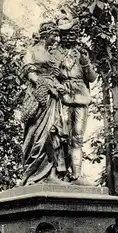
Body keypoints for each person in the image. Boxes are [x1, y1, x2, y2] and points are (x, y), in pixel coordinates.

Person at [20, 21, 70, 186]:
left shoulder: (51, 55)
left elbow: (57, 76)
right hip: (38, 97)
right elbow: (29, 73)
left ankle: (51, 173)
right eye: (54, 35)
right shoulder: (31, 51)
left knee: (53, 133)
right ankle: (32, 175)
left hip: (53, 98)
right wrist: (45, 83)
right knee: (36, 135)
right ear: (45, 34)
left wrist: (58, 82)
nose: (56, 39)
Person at [53, 10, 97, 185]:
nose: (69, 38)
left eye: (72, 34)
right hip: (61, 96)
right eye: (65, 34)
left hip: (80, 97)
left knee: (77, 137)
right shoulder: (54, 53)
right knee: (62, 135)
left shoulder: (81, 53)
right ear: (60, 36)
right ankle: (61, 172)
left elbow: (92, 78)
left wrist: (85, 63)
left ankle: (76, 174)